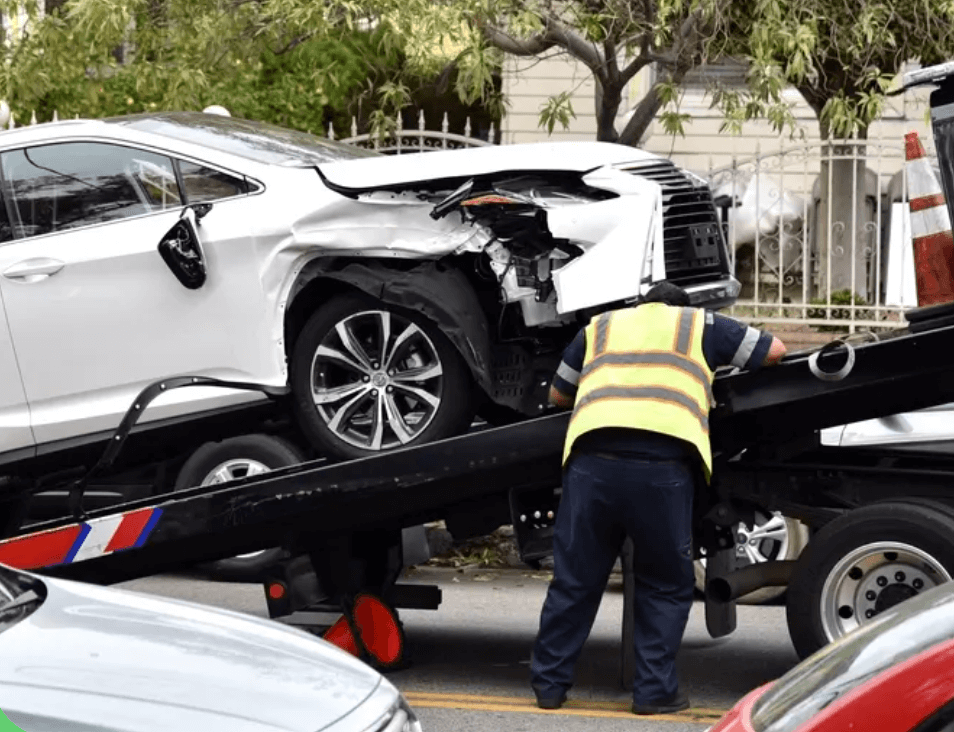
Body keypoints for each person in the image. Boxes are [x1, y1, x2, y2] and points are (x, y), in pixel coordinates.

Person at [530, 281, 787, 715]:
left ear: (641, 305)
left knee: (575, 581)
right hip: (661, 469)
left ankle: (549, 687)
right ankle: (653, 692)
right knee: (664, 584)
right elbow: (775, 351)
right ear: (680, 308)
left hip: (592, 465)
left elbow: (557, 395)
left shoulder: (600, 327)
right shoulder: (700, 325)